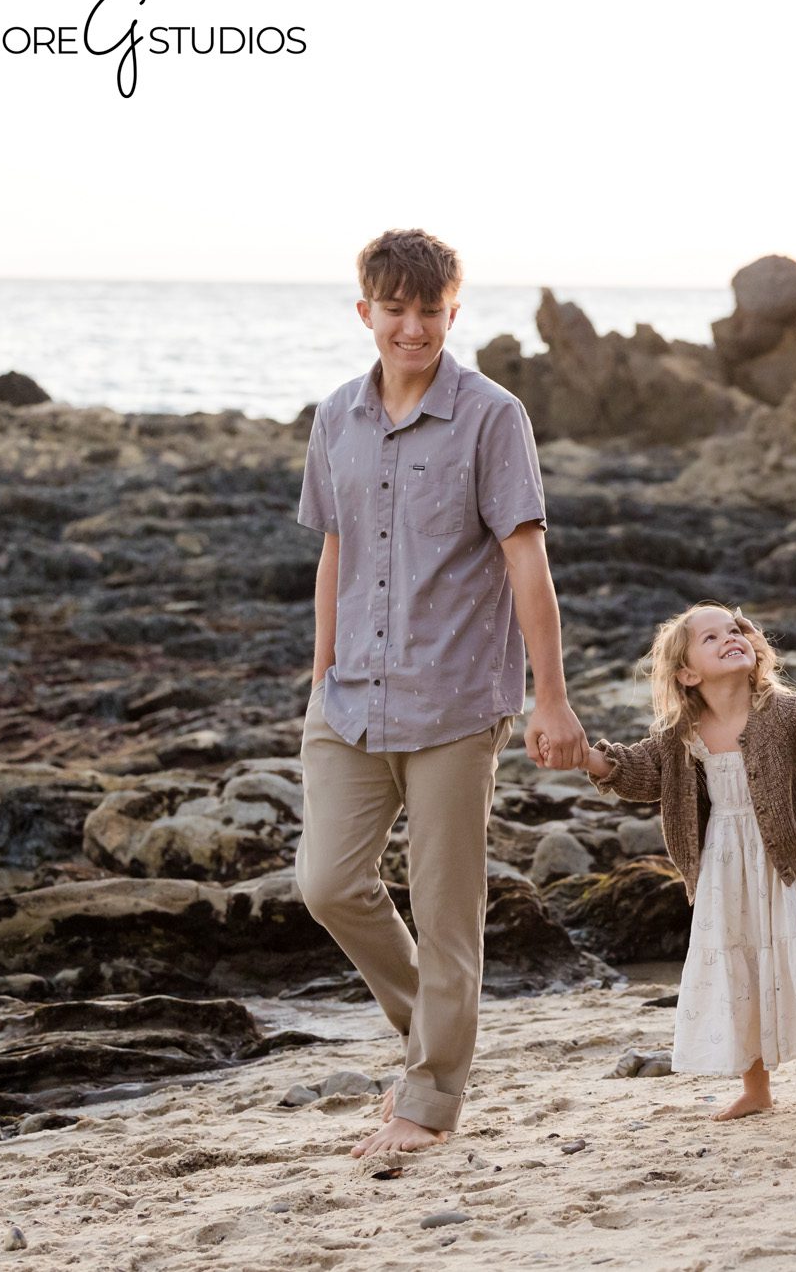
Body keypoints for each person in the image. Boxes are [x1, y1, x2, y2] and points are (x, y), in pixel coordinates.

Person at [294, 228, 588, 1158]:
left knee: (446, 910)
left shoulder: (492, 417)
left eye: (430, 310)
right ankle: (435, 1033)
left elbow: (527, 560)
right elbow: (334, 549)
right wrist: (319, 674)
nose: (412, 327)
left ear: (452, 313)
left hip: (456, 700)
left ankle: (427, 1101)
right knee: (327, 883)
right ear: (366, 312)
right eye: (396, 309)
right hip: (349, 697)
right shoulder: (336, 418)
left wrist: (551, 697)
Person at [571, 603, 796, 1119]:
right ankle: (756, 1088)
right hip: (723, 864)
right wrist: (584, 756)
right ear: (687, 673)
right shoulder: (679, 734)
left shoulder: (783, 712)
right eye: (711, 637)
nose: (729, 637)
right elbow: (637, 772)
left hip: (790, 857)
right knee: (740, 964)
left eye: (733, 629)